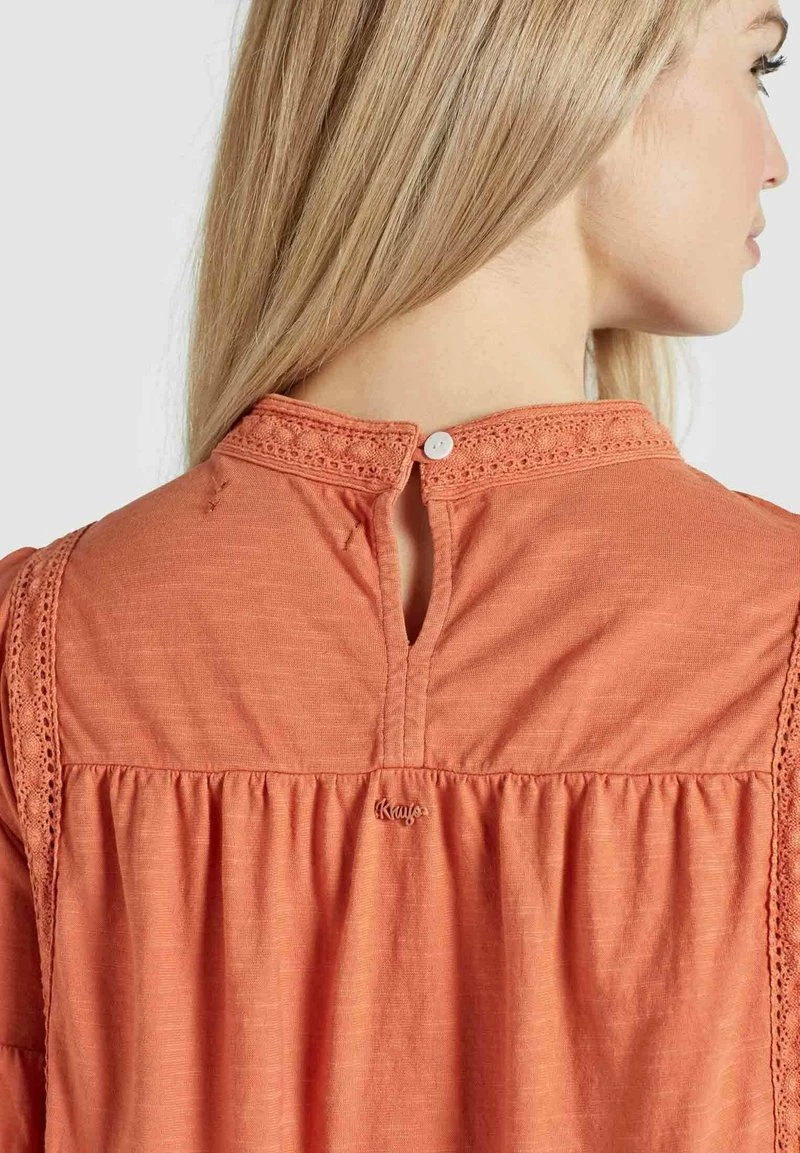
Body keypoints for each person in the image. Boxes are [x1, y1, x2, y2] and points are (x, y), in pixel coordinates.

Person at [0, 0, 796, 1148]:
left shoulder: (41, 648)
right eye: (759, 66)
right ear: (582, 56)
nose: (772, 162)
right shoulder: (775, 639)